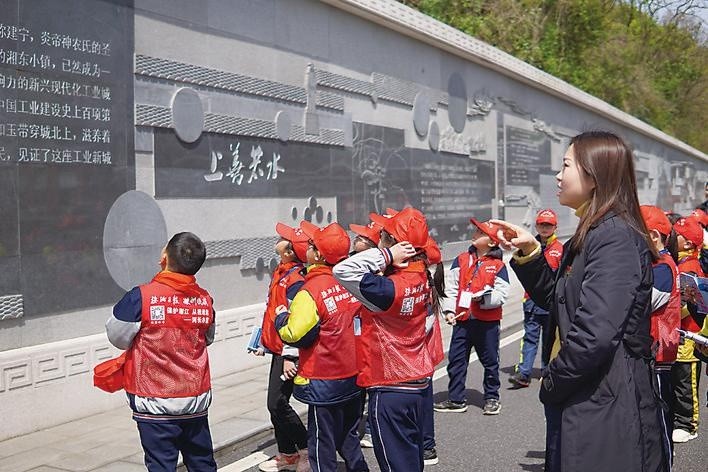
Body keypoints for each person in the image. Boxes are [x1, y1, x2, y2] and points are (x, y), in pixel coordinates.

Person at [495, 131, 668, 472]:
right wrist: (530, 253)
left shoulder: (613, 236)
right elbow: (561, 302)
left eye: (566, 165)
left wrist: (553, 381)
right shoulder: (591, 232)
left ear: (594, 175)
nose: (558, 176)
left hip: (604, 402)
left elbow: (596, 334)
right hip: (588, 394)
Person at [333, 207, 444, 472]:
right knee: (411, 460)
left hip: (390, 384)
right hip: (416, 382)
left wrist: (386, 255)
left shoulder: (387, 289)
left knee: (396, 464)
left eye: (383, 235)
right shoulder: (422, 276)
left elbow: (342, 271)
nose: (378, 237)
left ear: (395, 244)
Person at [105, 232, 217, 471]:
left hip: (153, 400)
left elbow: (116, 336)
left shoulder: (141, 297)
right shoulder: (205, 300)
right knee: (202, 462)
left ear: (164, 258)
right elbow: (207, 338)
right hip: (194, 398)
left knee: (160, 465)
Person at [275, 222, 368, 472]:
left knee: (321, 442)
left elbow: (294, 332)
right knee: (348, 435)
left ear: (317, 254)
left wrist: (280, 317)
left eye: (312, 245)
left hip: (324, 377)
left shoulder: (312, 289)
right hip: (353, 373)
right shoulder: (351, 281)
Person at [434, 218, 510, 415]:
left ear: (492, 242)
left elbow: (502, 293)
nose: (475, 232)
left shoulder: (498, 265)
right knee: (457, 360)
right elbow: (451, 287)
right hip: (463, 319)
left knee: (490, 361)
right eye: (476, 229)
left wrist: (483, 300)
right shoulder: (461, 259)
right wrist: (450, 311)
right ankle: (456, 398)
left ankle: (492, 397)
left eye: (481, 232)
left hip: (488, 322)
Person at [256, 223, 310, 472]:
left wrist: (291, 354)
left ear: (289, 252)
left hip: (288, 350)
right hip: (277, 347)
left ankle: (307, 450)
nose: (278, 238)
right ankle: (287, 453)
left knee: (276, 403)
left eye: (283, 238)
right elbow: (272, 309)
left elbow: (295, 319)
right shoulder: (283, 271)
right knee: (276, 403)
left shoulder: (297, 279)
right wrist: (261, 340)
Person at [640, 205, 681, 465]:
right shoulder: (657, 263)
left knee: (660, 420)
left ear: (654, 236)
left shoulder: (663, 267)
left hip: (659, 353)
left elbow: (642, 304)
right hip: (653, 350)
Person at [509, 209, 563, 388]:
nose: (545, 228)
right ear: (536, 226)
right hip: (531, 303)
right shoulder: (528, 246)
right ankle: (524, 373)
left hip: (550, 304)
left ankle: (547, 371)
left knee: (549, 340)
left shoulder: (561, 249)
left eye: (548, 225)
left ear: (555, 226)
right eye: (541, 224)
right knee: (530, 338)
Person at [671, 215, 705, 443]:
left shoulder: (690, 267)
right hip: (678, 334)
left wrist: (671, 310)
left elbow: (689, 303)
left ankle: (688, 423)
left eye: (678, 235)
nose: (674, 237)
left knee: (687, 383)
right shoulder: (680, 263)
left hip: (690, 334)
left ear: (689, 243)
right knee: (677, 381)